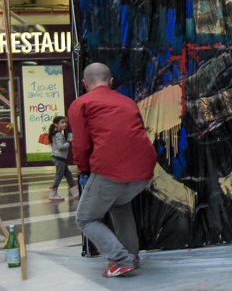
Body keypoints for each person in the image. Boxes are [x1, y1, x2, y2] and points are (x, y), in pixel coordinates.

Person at [70, 63, 158, 278]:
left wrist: (83, 170)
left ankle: (121, 259)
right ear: (110, 81)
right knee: (120, 205)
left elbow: (80, 145)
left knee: (86, 219)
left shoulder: (81, 103)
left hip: (110, 167)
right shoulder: (128, 102)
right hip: (144, 168)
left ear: (85, 83)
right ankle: (131, 257)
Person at [47, 115, 79, 202]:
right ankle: (53, 194)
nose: (65, 124)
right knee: (59, 175)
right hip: (59, 157)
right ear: (56, 124)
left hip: (60, 157)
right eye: (62, 122)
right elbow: (60, 147)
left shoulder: (56, 133)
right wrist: (69, 142)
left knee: (68, 175)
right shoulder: (59, 134)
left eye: (65, 122)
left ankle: (76, 193)